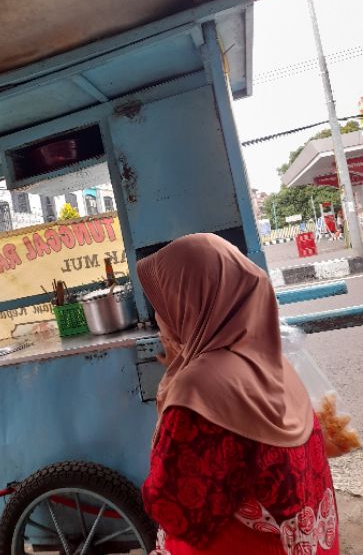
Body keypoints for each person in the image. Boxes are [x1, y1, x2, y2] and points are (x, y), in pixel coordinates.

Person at [137, 234, 338, 555]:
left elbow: (175, 508)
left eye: (162, 303)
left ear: (189, 303)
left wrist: (176, 383)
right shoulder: (268, 360)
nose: (159, 319)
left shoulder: (199, 389)